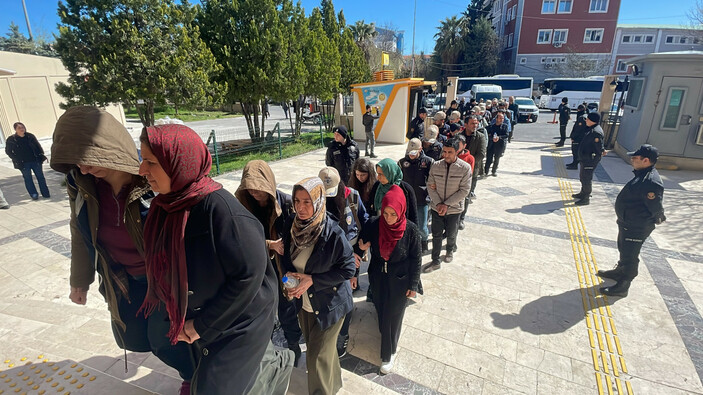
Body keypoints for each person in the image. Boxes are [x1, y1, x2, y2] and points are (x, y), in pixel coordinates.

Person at [49, 107, 196, 395]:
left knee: (165, 338)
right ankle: (192, 369)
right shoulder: (80, 182)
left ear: (109, 149)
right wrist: (80, 280)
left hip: (166, 279)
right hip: (124, 277)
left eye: (89, 160)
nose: (84, 169)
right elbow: (79, 229)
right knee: (137, 337)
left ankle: (196, 376)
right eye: (76, 163)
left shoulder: (151, 178)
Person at [138, 124, 293, 394]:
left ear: (179, 162)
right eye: (143, 160)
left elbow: (248, 277)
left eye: (151, 162)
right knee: (164, 346)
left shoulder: (225, 214)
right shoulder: (167, 206)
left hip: (241, 320)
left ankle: (276, 362)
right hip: (202, 309)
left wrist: (201, 325)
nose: (142, 170)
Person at [280, 177, 356, 395]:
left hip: (330, 305)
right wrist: (289, 282)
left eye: (307, 202)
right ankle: (335, 384)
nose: (301, 208)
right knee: (324, 353)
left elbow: (348, 268)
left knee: (315, 357)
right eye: (297, 201)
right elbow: (286, 261)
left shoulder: (331, 232)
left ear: (319, 201)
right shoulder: (292, 225)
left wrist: (312, 280)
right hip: (304, 304)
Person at [234, 160, 303, 365]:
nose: (255, 193)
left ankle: (293, 345)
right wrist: (268, 244)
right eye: (251, 189)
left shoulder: (287, 203)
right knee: (262, 308)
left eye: (259, 189)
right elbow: (242, 240)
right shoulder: (245, 206)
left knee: (287, 307)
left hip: (284, 268)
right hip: (260, 268)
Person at [358, 185, 422, 374]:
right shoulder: (374, 223)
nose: (389, 218)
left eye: (393, 214)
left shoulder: (410, 230)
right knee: (381, 308)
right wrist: (363, 247)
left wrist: (413, 285)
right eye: (385, 213)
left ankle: (389, 352)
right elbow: (361, 242)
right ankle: (387, 336)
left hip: (400, 279)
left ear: (401, 210)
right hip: (378, 276)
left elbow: (416, 258)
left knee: (393, 314)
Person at [597, 145, 666, 297]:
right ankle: (619, 271)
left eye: (635, 158)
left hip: (637, 226)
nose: (632, 160)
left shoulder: (651, 182)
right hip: (627, 223)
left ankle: (624, 284)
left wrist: (656, 219)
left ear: (646, 160)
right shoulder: (642, 174)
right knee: (624, 248)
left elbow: (655, 208)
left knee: (630, 254)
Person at [318, 167, 369, 358]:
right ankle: (328, 329)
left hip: (350, 257)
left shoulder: (352, 197)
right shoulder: (316, 199)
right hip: (326, 260)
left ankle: (343, 335)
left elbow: (363, 223)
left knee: (346, 295)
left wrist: (359, 251)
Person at [423, 138, 471, 273]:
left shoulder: (464, 168)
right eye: (445, 152)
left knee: (451, 232)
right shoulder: (436, 166)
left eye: (450, 152)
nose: (446, 155)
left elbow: (464, 190)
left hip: (454, 209)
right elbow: (430, 186)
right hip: (436, 207)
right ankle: (435, 260)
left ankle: (450, 250)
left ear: (457, 152)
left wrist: (446, 205)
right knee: (436, 234)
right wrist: (439, 203)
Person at [398, 138, 433, 255]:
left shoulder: (428, 162)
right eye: (409, 153)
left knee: (422, 227)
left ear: (420, 149)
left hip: (422, 199)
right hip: (406, 201)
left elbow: (433, 180)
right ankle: (410, 243)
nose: (411, 156)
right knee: (407, 225)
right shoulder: (402, 162)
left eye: (414, 153)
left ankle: (424, 242)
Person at [5, 122, 50, 200]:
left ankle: (45, 193)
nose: (22, 129)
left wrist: (41, 155)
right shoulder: (12, 139)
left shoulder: (30, 136)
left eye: (23, 127)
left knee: (41, 177)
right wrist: (15, 159)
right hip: (23, 163)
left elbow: (38, 146)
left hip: (35, 161)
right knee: (28, 179)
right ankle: (34, 194)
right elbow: (8, 151)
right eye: (19, 128)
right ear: (15, 129)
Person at [369, 158, 418, 225]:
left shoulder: (405, 189)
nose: (378, 177)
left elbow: (413, 215)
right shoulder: (377, 186)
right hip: (379, 228)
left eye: (381, 174)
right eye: (377, 174)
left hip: (399, 230)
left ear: (391, 173)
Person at [573, 112, 605, 206]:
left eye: (588, 119)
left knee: (586, 178)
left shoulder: (595, 132)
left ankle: (586, 198)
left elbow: (599, 148)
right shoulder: (591, 129)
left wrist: (600, 152)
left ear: (593, 121)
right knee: (583, 177)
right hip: (585, 158)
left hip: (589, 160)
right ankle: (583, 193)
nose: (586, 120)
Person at [463, 116, 487, 197]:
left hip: (473, 166)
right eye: (472, 123)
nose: (475, 125)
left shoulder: (480, 137)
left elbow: (482, 154)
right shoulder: (459, 136)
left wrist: (470, 162)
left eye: (476, 123)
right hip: (459, 167)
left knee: (468, 192)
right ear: (465, 125)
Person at [455, 134, 474, 230]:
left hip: (463, 184)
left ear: (464, 145)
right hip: (452, 183)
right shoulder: (451, 155)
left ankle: (461, 218)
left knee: (465, 199)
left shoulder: (469, 158)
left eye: (459, 144)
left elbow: (470, 173)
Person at [484, 112, 510, 176]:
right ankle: (486, 171)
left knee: (497, 158)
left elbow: (506, 135)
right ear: (496, 119)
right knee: (489, 158)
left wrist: (499, 137)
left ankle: (494, 171)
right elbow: (487, 134)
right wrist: (492, 138)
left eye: (502, 118)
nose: (501, 120)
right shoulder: (491, 126)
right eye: (500, 118)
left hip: (499, 145)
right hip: (491, 145)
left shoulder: (504, 126)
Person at [566, 105, 588, 170]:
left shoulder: (582, 118)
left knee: (575, 151)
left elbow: (578, 129)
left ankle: (575, 164)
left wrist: (573, 137)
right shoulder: (585, 116)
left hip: (578, 138)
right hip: (581, 137)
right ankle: (574, 163)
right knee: (576, 151)